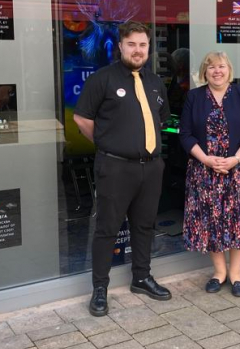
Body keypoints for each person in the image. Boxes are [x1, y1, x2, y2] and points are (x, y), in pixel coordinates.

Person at [73, 21, 172, 317]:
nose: (138, 50)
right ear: (120, 46)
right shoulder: (102, 79)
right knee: (107, 229)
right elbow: (82, 119)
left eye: (143, 45)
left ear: (148, 48)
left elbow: (163, 119)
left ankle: (141, 278)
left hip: (151, 168)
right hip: (115, 168)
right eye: (132, 44)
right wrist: (108, 143)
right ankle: (100, 289)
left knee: (144, 225)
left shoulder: (155, 81)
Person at [179, 52, 240, 297]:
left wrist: (235, 159)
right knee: (211, 221)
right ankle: (219, 272)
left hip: (238, 170)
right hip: (204, 171)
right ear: (205, 72)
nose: (217, 71)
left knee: (239, 220)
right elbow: (185, 134)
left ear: (229, 70)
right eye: (211, 67)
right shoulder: (194, 97)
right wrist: (205, 159)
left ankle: (236, 273)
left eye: (221, 66)